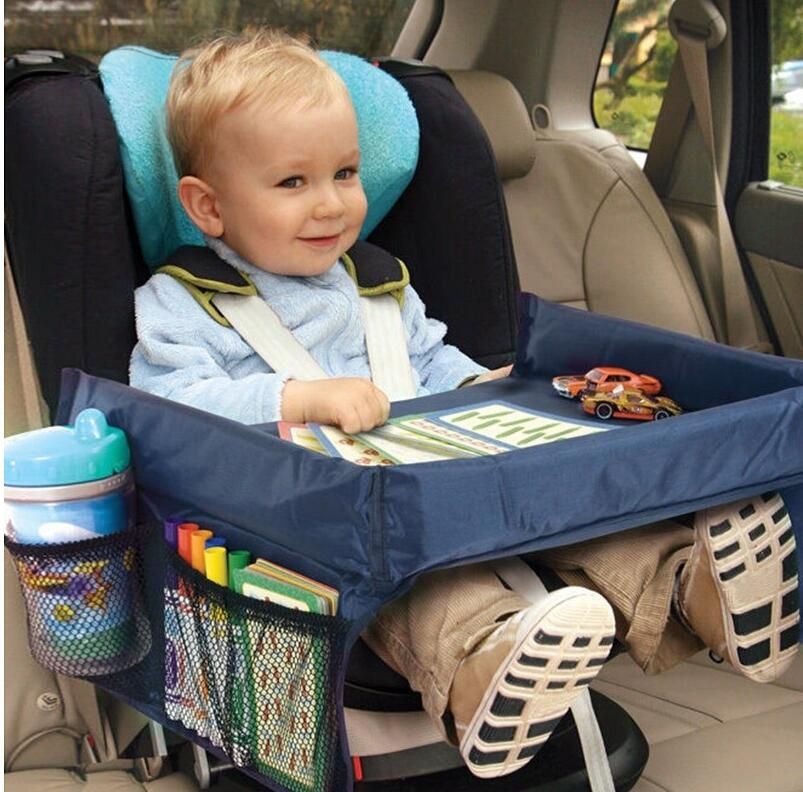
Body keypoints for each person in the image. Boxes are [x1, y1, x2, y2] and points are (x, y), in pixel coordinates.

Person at [130, 30, 799, 780]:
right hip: (321, 532)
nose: (330, 203)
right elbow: (169, 405)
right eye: (292, 183)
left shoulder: (377, 281)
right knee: (423, 588)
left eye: (345, 173)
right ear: (207, 206)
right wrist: (298, 398)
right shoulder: (182, 303)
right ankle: (485, 668)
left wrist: (479, 387)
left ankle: (690, 589)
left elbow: (429, 358)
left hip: (450, 484)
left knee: (571, 507)